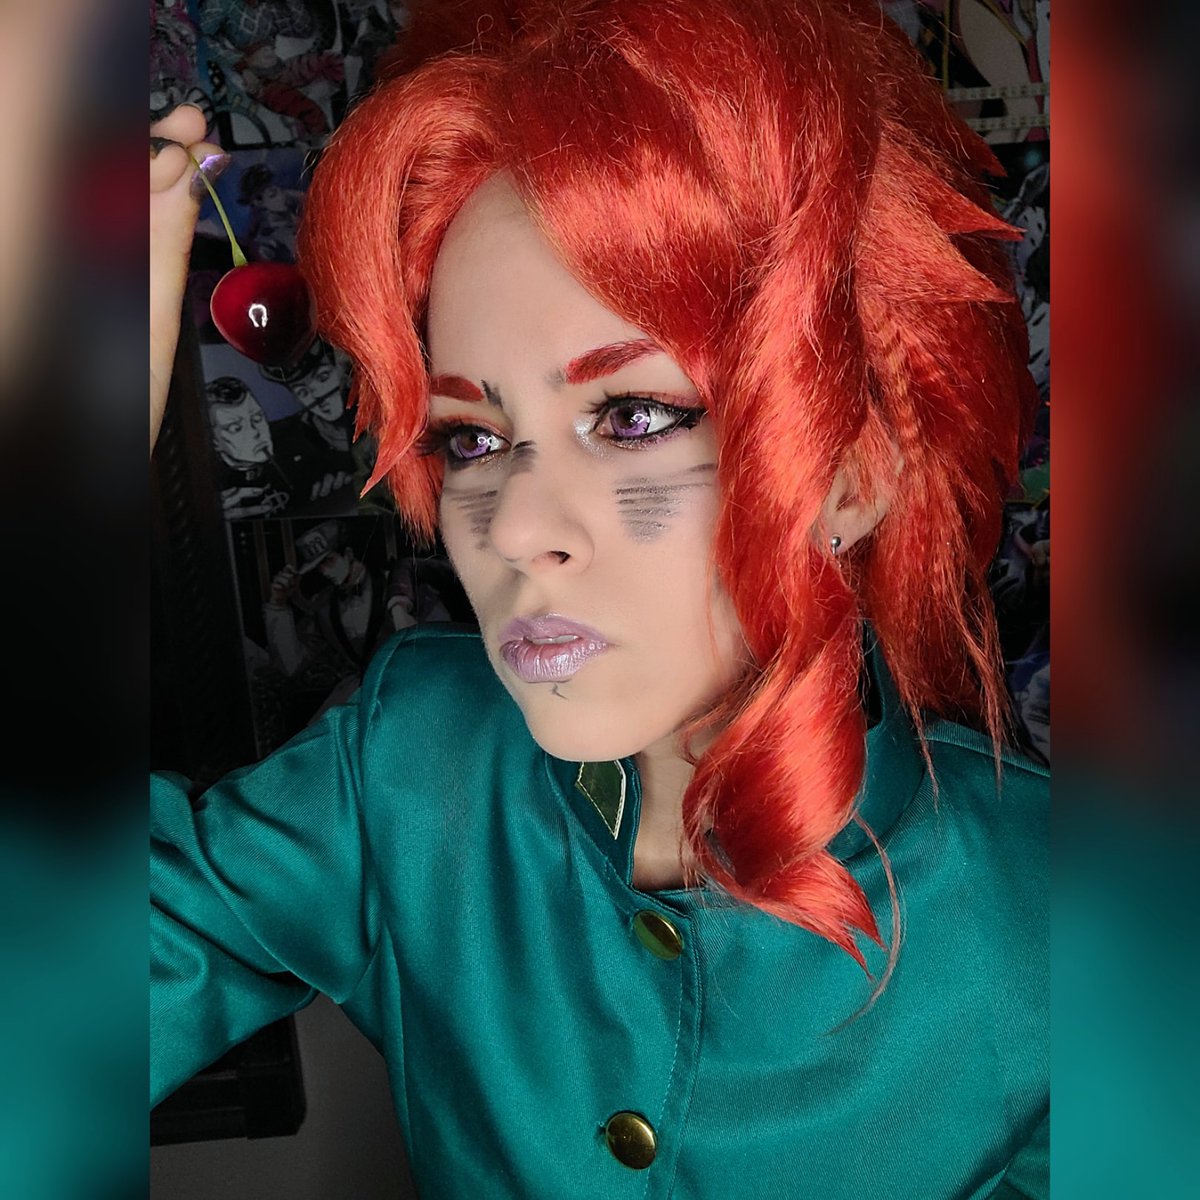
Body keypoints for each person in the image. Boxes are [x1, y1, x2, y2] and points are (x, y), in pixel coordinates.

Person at [150, 3, 1048, 1196]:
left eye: (631, 417)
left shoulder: (1059, 908)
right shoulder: (410, 771)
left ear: (857, 470)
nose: (516, 528)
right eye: (471, 438)